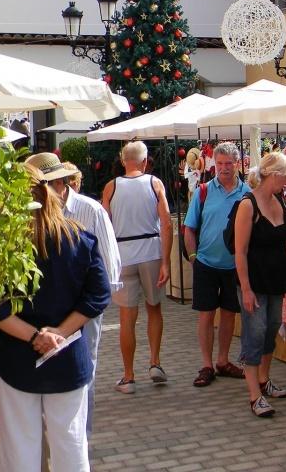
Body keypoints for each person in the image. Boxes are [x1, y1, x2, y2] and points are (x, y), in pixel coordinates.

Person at [0, 163, 110, 472]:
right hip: (67, 354)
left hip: (13, 357)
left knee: (19, 447)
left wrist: (36, 336)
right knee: (71, 445)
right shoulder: (80, 240)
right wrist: (60, 333)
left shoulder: (1, 249)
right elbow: (99, 294)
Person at [26, 153, 121, 437]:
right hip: (44, 311)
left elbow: (108, 261)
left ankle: (81, 435)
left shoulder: (89, 210)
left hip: (83, 309)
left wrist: (95, 306)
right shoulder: (28, 215)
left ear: (61, 183)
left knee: (83, 370)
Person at [102, 141, 172, 394]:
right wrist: (166, 261)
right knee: (154, 308)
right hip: (151, 250)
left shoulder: (111, 187)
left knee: (126, 318)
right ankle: (155, 362)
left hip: (123, 254)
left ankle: (128, 376)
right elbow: (166, 223)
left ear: (123, 161)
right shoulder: (155, 184)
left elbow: (104, 226)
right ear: (145, 161)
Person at [233, 152, 286, 418]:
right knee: (254, 332)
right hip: (255, 280)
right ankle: (254, 394)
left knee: (271, 328)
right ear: (274, 175)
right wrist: (246, 288)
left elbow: (283, 246)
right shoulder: (247, 205)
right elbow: (240, 251)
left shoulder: (278, 201)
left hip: (276, 279)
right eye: (285, 175)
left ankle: (264, 379)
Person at [183, 142, 249, 388]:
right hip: (206, 263)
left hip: (235, 266)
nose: (224, 168)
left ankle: (223, 360)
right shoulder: (204, 191)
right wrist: (193, 257)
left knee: (230, 314)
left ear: (237, 164)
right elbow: (189, 228)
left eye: (228, 164)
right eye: (220, 163)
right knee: (206, 315)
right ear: (214, 164)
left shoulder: (247, 192)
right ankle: (207, 364)